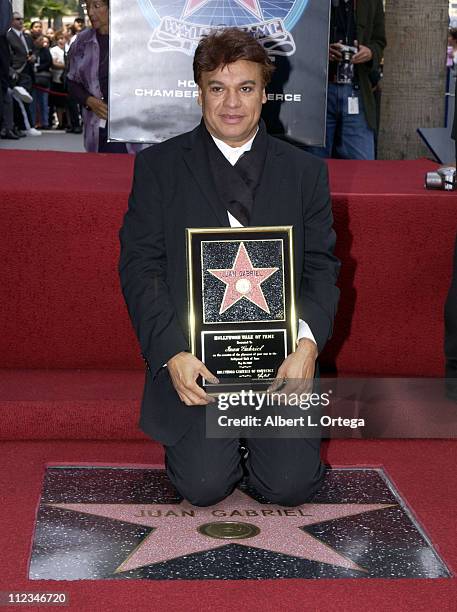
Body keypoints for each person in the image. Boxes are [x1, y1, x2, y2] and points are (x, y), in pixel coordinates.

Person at [119, 29, 340, 507]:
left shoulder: (305, 173)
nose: (231, 103)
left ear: (265, 92)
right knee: (203, 488)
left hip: (279, 366)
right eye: (217, 88)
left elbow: (322, 268)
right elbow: (142, 267)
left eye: (245, 87)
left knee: (290, 486)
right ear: (199, 92)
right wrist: (171, 353)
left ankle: (261, 443)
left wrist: (306, 345)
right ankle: (212, 446)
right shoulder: (158, 168)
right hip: (197, 368)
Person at [309, 0, 386, 160]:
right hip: (317, 92)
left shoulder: (372, 3)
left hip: (356, 90)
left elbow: (379, 41)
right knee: (314, 167)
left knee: (364, 168)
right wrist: (320, 49)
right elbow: (298, 35)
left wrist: (370, 52)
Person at [66, 0, 126, 152]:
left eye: (97, 6)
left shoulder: (134, 39)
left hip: (132, 128)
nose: (90, 13)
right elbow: (71, 82)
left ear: (113, 7)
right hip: (97, 126)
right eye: (88, 6)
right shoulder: (82, 41)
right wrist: (90, 101)